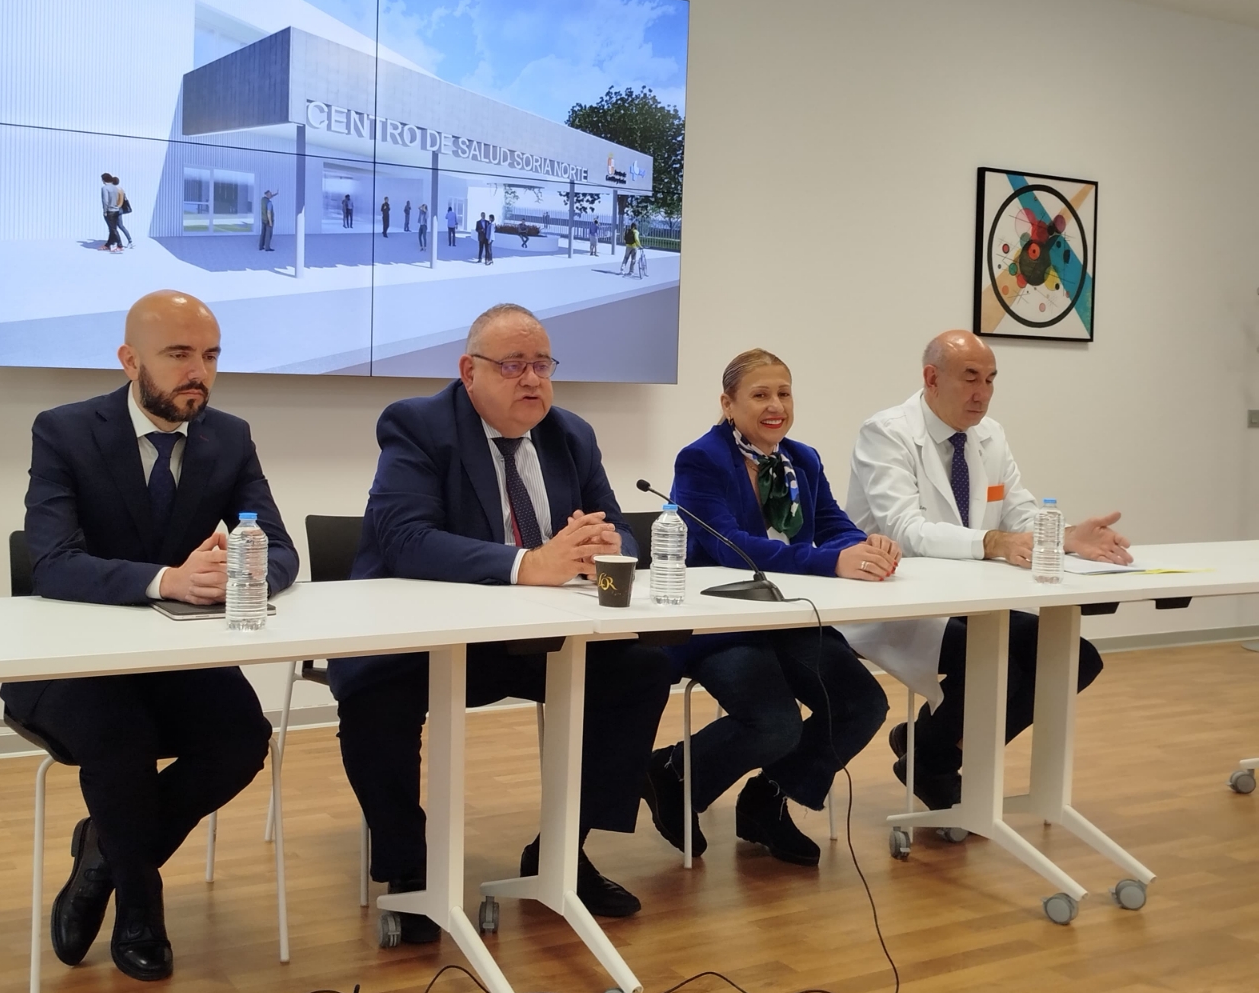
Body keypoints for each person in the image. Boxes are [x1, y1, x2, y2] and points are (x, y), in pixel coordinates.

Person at [329, 303, 673, 945]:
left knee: (639, 671)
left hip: (533, 638)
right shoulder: (418, 424)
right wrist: (527, 565)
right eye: (513, 365)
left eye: (542, 365)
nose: (532, 379)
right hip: (423, 640)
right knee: (373, 701)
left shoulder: (571, 435)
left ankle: (560, 851)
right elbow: (404, 538)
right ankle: (410, 868)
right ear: (470, 371)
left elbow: (622, 531)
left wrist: (605, 551)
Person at [1, 291, 299, 983]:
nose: (199, 372)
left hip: (176, 660)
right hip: (71, 661)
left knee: (242, 739)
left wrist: (241, 571)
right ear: (130, 360)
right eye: (179, 355)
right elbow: (51, 562)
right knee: (121, 737)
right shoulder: (65, 431)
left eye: (211, 356)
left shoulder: (229, 437)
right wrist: (167, 580)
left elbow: (280, 549)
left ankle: (102, 857)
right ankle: (140, 905)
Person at [844, 330, 1127, 810]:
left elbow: (1019, 514)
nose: (983, 393)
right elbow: (906, 530)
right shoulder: (886, 433)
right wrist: (991, 542)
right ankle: (932, 757)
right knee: (1000, 664)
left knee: (1075, 658)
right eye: (970, 378)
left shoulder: (990, 435)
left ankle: (929, 749)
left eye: (991, 380)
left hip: (971, 598)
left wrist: (1066, 535)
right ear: (932, 378)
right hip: (899, 599)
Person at [642, 349, 892, 867]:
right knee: (775, 723)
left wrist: (866, 546)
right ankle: (673, 771)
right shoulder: (701, 459)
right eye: (760, 395)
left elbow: (833, 525)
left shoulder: (803, 458)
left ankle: (767, 799)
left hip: (789, 618)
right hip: (721, 623)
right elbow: (729, 547)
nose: (775, 405)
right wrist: (831, 562)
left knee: (862, 703)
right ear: (728, 404)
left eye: (784, 393)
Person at [100, 172, 123, 253]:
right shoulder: (115, 188)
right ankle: (108, 244)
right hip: (116, 210)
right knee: (112, 228)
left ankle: (119, 245)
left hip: (109, 211)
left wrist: (105, 211)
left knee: (113, 229)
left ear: (104, 180)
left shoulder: (104, 188)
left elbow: (105, 201)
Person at [110, 175, 135, 248]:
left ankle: (115, 243)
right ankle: (130, 241)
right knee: (121, 226)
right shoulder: (121, 189)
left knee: (113, 227)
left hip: (115, 210)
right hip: (120, 210)